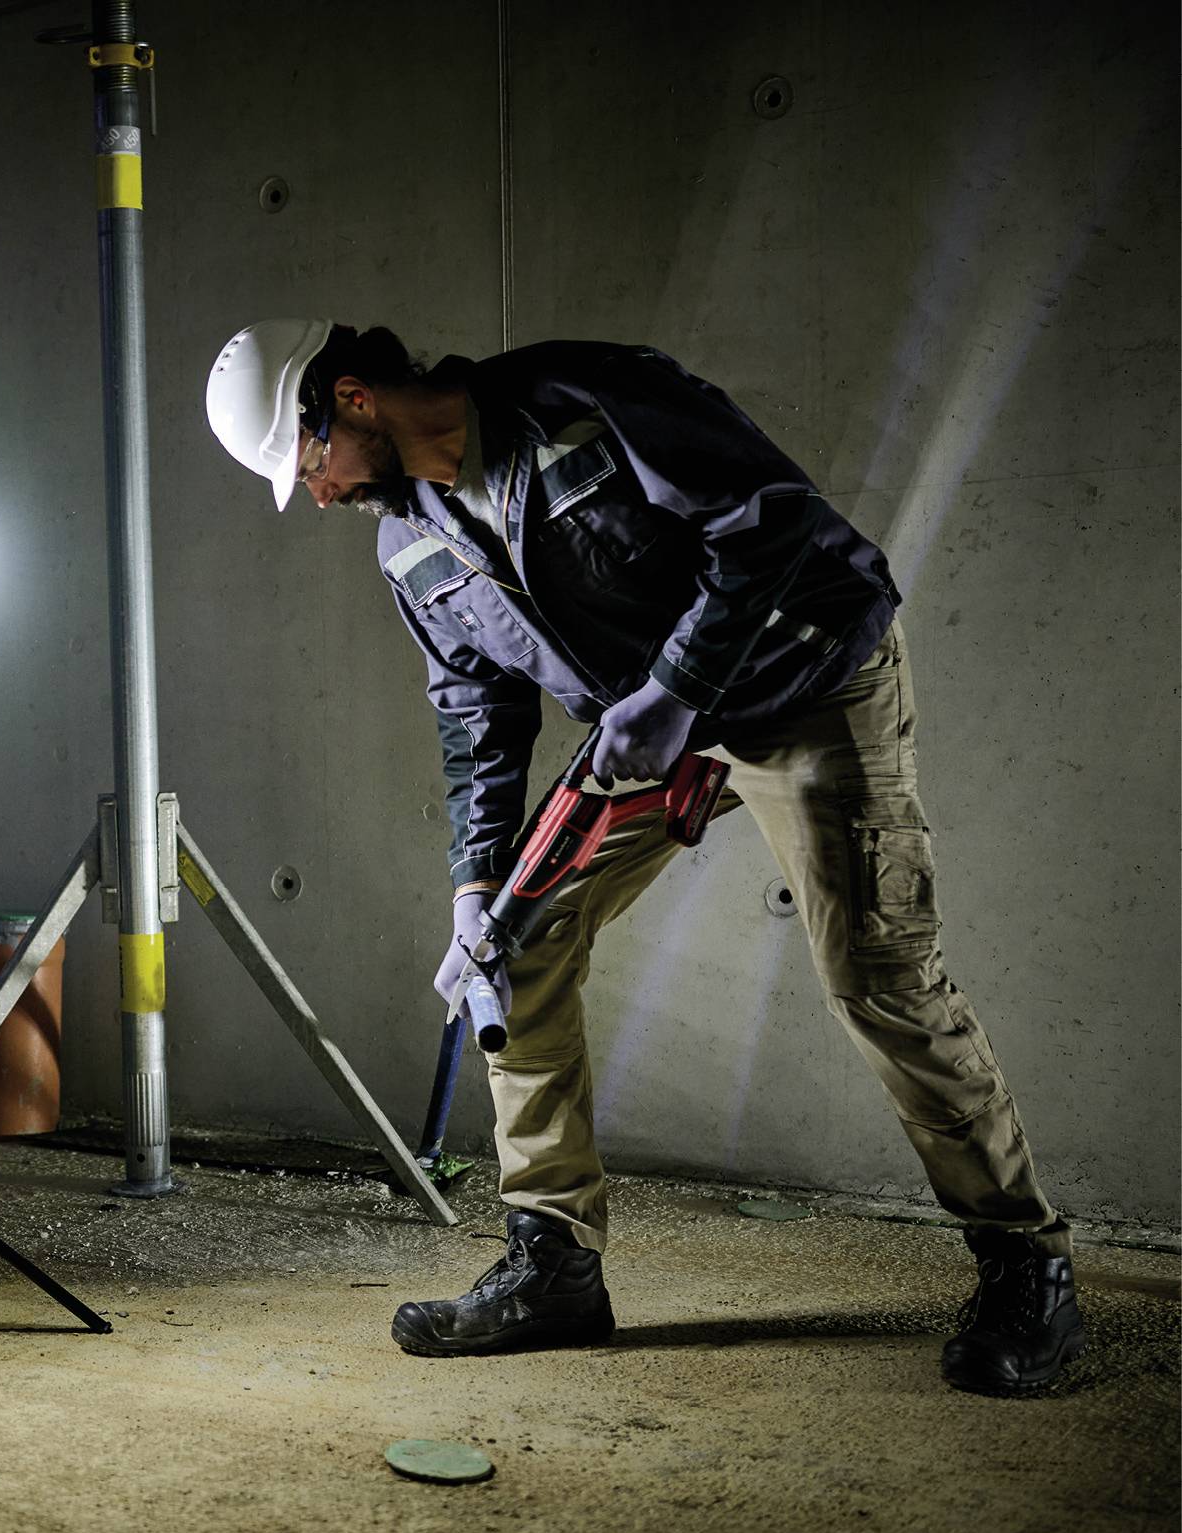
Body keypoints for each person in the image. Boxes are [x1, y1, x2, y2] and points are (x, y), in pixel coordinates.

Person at [205, 319, 1086, 1395]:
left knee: (875, 974)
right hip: (644, 730)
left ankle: (1023, 1262)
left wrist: (675, 690)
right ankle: (553, 1262)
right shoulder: (406, 544)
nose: (317, 496)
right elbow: (474, 708)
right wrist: (476, 884)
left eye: (305, 467)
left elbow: (768, 523)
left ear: (349, 399)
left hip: (800, 673)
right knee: (511, 953)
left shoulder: (581, 396)